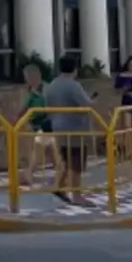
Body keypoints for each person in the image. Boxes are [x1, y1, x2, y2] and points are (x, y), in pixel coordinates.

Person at [42, 56, 97, 206]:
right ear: (75, 69)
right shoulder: (74, 86)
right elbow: (85, 104)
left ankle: (59, 186)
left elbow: (47, 105)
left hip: (58, 126)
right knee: (76, 163)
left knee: (66, 160)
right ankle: (77, 196)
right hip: (75, 128)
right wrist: (93, 101)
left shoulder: (52, 85)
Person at [19, 63, 58, 187]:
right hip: (40, 126)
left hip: (47, 125)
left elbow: (49, 107)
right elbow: (25, 108)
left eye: (27, 77)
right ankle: (63, 177)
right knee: (52, 152)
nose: (26, 80)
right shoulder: (31, 91)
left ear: (34, 76)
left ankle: (29, 174)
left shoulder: (47, 89)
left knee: (39, 149)